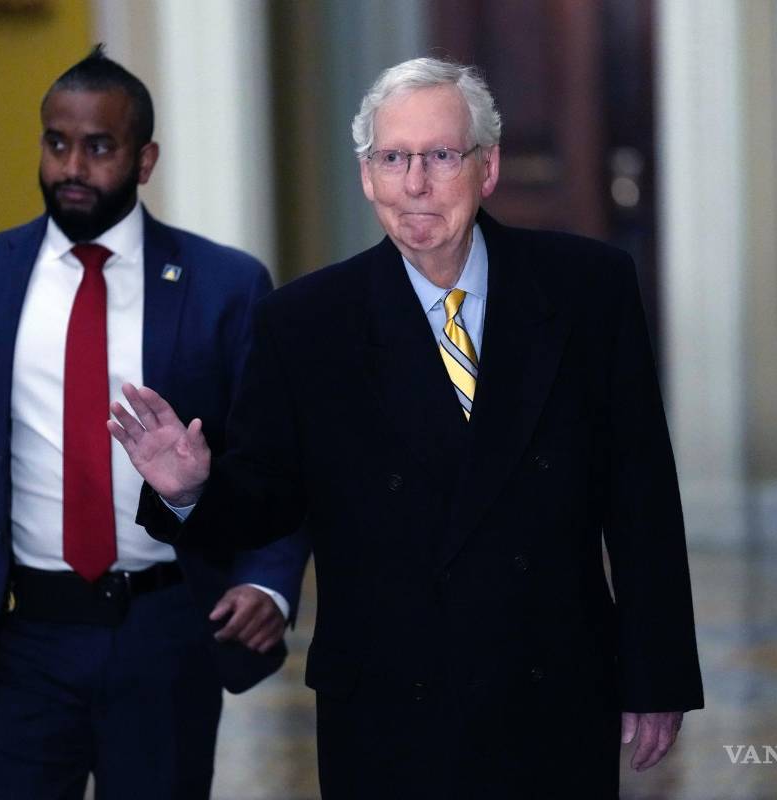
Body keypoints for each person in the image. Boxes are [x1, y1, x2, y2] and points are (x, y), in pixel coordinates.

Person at [110, 57, 703, 798]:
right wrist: (192, 489)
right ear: (367, 177)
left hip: (552, 690)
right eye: (393, 158)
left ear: (487, 170)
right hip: (388, 706)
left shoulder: (589, 289)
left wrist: (657, 673)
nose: (415, 184)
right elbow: (268, 497)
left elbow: (641, 496)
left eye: (440, 157)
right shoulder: (306, 322)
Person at [0, 48, 309, 799]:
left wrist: (268, 584)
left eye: (99, 146)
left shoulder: (225, 285)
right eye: (58, 143)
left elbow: (274, 457)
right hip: (14, 636)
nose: (72, 167)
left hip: (163, 630)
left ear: (144, 159)